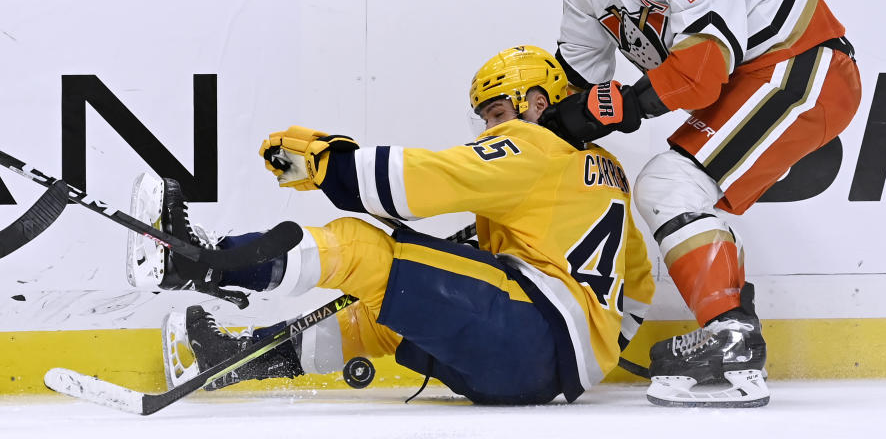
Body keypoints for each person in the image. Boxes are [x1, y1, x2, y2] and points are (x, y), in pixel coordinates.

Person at [540, 0, 862, 407]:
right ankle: (731, 326)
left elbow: (701, 72)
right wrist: (539, 130)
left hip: (802, 65)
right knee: (673, 187)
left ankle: (730, 334)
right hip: (754, 79)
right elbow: (578, 83)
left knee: (668, 183)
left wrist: (617, 108)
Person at [129, 45, 655, 405]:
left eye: (497, 113)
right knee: (384, 311)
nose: (492, 129)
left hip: (528, 335)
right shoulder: (608, 171)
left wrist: (321, 162)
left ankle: (195, 261)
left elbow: (422, 182)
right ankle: (235, 358)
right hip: (550, 373)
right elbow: (639, 283)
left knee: (363, 248)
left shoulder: (534, 144)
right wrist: (595, 349)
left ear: (536, 104)